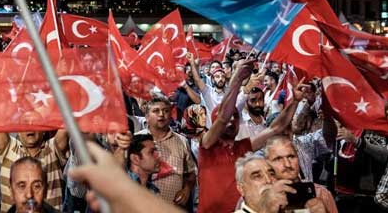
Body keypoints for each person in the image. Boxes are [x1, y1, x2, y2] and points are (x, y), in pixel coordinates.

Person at [198, 58, 304, 213]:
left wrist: (295, 101)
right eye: (229, 116)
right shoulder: (206, 146)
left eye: (236, 116)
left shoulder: (243, 147)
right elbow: (222, 118)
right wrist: (237, 80)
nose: (232, 120)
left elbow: (276, 128)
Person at [68, 142, 185, 213]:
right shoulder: (114, 189)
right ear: (135, 158)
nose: (158, 157)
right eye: (151, 152)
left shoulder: (153, 190)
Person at [136, 96, 196, 208]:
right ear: (147, 117)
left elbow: (191, 174)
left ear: (170, 116)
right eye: (156, 111)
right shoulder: (136, 140)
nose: (161, 114)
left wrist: (186, 190)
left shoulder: (182, 141)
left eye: (166, 111)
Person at [0, 128, 68, 212]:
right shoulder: (9, 147)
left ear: (44, 130)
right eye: (21, 186)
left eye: (37, 186)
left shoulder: (53, 149)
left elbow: (67, 123)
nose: (29, 195)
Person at [264, 135, 337, 212]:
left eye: (291, 157)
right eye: (278, 159)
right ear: (267, 163)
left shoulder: (321, 193)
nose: (287, 164)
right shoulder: (262, 198)